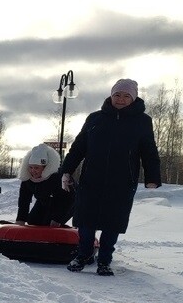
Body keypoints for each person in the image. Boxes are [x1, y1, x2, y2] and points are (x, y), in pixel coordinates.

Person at [58, 78, 161, 276]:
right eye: (117, 95)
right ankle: (84, 254)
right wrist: (67, 169)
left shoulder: (142, 121)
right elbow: (79, 147)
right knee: (86, 221)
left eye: (126, 96)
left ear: (133, 98)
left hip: (122, 181)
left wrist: (152, 176)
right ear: (111, 95)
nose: (121, 99)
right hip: (92, 178)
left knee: (112, 223)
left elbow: (149, 150)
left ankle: (104, 260)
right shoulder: (95, 118)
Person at [15, 143, 74, 226]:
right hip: (44, 201)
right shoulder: (27, 179)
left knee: (48, 224)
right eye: (31, 167)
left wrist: (57, 220)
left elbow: (69, 199)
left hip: (69, 203)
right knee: (33, 221)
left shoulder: (59, 177)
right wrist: (20, 220)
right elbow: (24, 200)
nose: (33, 171)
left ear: (45, 167)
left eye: (36, 168)